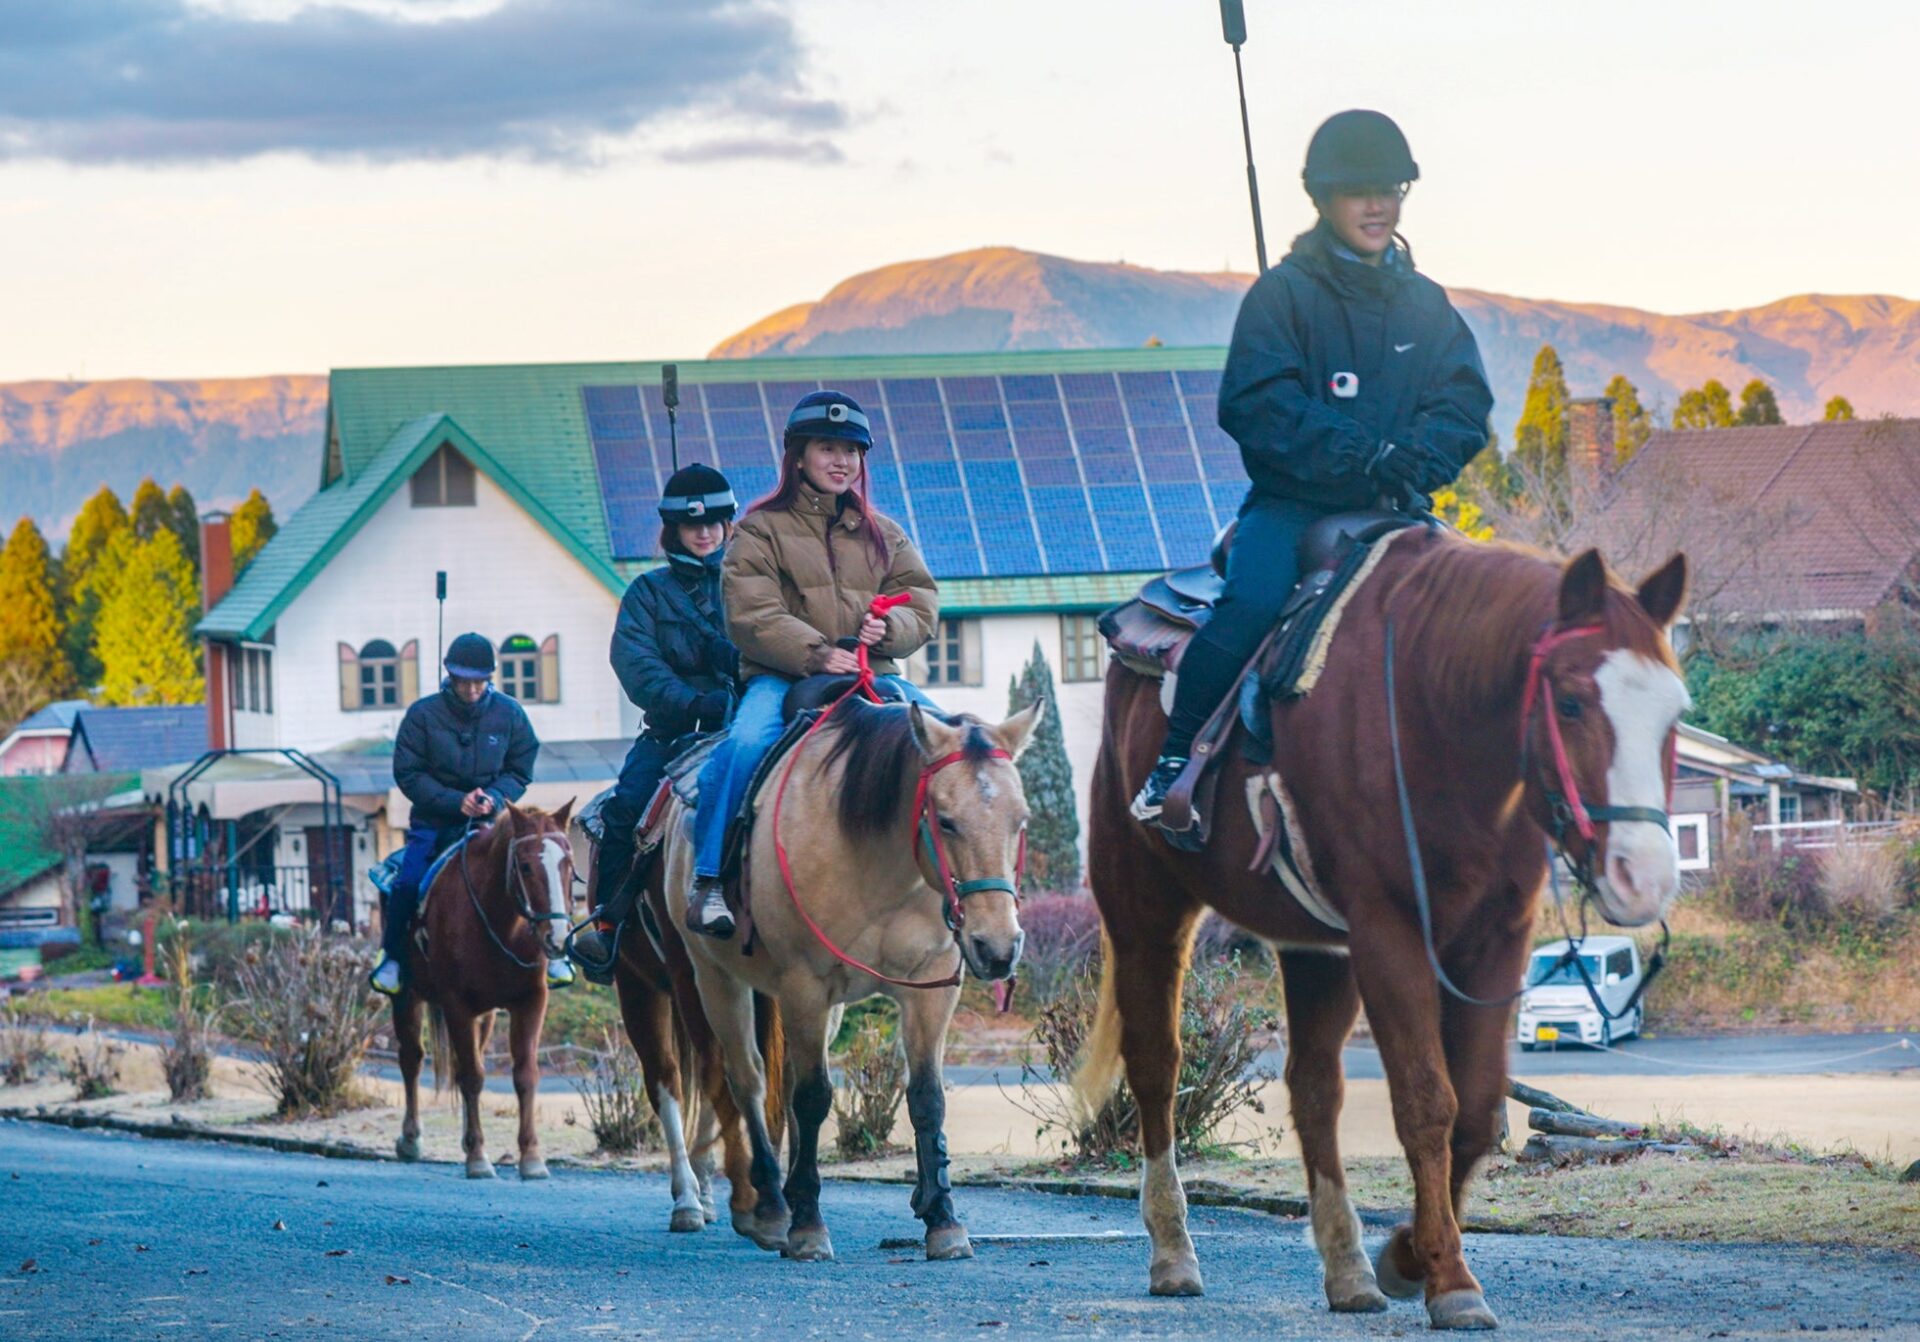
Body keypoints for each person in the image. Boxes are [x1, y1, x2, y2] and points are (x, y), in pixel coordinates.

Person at [1132, 109, 1495, 826]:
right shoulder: (1282, 296)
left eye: (1389, 189)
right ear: (1324, 200)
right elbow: (1256, 404)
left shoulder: (1427, 304)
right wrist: (1362, 452)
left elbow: (1464, 402)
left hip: (1396, 507)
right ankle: (1174, 759)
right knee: (1251, 603)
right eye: (1360, 191)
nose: (1377, 205)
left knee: (1472, 611)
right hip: (1291, 507)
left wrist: (1416, 459)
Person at [684, 389, 940, 938]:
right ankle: (708, 879)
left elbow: (920, 600)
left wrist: (888, 630)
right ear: (797, 456)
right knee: (744, 744)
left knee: (955, 744)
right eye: (827, 447)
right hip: (782, 678)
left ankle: (957, 889)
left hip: (876, 678)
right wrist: (819, 653)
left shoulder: (886, 534)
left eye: (851, 450)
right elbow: (751, 615)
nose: (841, 460)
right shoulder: (758, 530)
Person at [569, 463, 741, 979]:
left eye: (714, 522)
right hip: (676, 733)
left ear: (729, 526)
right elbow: (637, 665)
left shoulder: (753, 584)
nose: (705, 532)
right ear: (674, 531)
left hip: (748, 725)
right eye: (694, 525)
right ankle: (607, 928)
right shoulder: (647, 594)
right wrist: (692, 702)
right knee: (625, 811)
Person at [370, 632, 556, 994]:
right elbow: (408, 773)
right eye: (463, 682)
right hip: (433, 823)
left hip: (490, 822)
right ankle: (392, 957)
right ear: (449, 676)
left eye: (479, 682)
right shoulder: (422, 715)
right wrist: (455, 801)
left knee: (536, 870)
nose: (471, 690)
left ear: (490, 678)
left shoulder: (510, 713)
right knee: (407, 883)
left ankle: (555, 953)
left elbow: (520, 768)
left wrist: (496, 798)